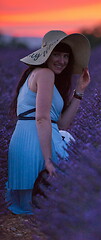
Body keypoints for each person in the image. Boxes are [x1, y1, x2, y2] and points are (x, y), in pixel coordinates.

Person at [6, 30, 91, 214]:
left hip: (30, 141)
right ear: (46, 55)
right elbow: (42, 118)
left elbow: (60, 125)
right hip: (36, 145)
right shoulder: (45, 73)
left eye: (66, 56)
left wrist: (79, 91)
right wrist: (48, 160)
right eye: (57, 54)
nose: (62, 60)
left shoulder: (37, 74)